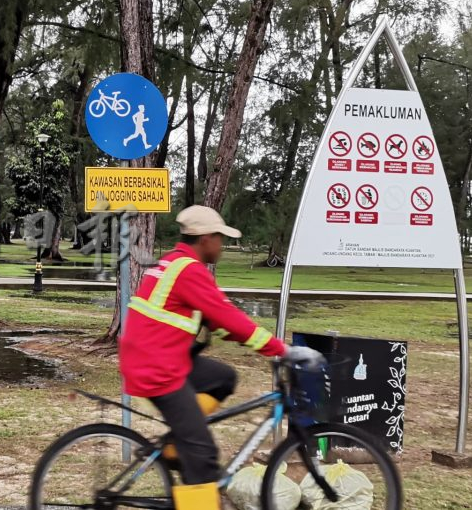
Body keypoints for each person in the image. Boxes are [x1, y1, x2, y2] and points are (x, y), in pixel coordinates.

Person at [118, 205, 323, 508]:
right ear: (206, 239)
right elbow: (230, 318)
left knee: (223, 378)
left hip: (162, 357)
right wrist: (283, 350)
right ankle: (193, 467)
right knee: (203, 455)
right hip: (158, 369)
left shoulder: (174, 262)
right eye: (220, 238)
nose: (222, 245)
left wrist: (258, 343)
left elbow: (219, 322)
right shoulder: (189, 271)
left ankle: (178, 442)